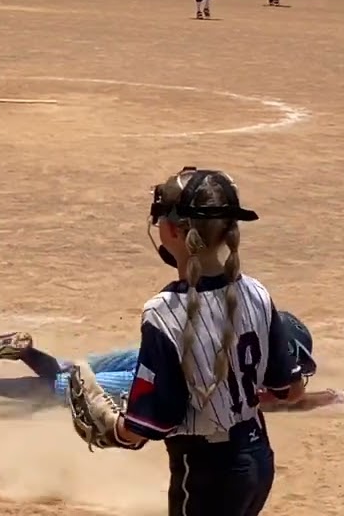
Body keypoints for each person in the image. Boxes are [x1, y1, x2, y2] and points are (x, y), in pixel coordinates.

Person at [65, 167, 307, 516]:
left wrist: (113, 429)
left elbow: (157, 419)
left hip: (207, 472)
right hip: (257, 459)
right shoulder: (256, 292)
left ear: (173, 230)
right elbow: (291, 389)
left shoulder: (163, 313)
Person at [0, 314, 344, 413]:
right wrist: (330, 397)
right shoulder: (245, 375)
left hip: (152, 350)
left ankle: (27, 352)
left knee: (69, 369)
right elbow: (281, 402)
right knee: (64, 391)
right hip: (164, 375)